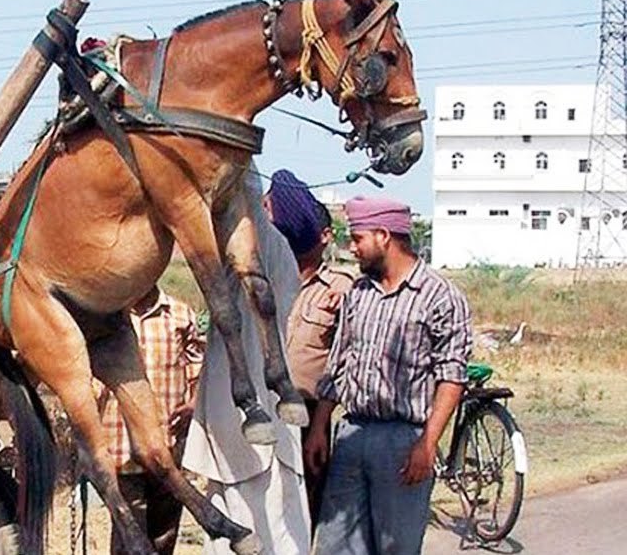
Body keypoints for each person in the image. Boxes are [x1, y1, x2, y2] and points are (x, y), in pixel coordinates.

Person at [306, 196, 473, 555]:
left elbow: (451, 378)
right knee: (335, 546)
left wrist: (427, 445)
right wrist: (320, 426)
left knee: (396, 548)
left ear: (383, 235)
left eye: (357, 239)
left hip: (403, 443)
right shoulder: (359, 293)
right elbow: (339, 364)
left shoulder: (440, 297)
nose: (352, 249)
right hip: (351, 435)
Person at [183, 164, 312, 555]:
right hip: (264, 410)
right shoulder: (282, 251)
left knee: (253, 517)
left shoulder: (242, 247)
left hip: (241, 408)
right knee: (280, 520)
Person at [263, 170, 354, 528]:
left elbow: (341, 365)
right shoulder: (268, 278)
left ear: (326, 236)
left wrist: (319, 427)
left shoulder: (341, 288)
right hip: (264, 408)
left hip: (307, 415)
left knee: (301, 513)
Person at [96, 285, 205, 555]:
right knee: (129, 540)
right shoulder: (104, 317)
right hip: (119, 448)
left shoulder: (180, 315)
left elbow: (198, 365)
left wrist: (194, 402)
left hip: (168, 447)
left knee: (164, 536)